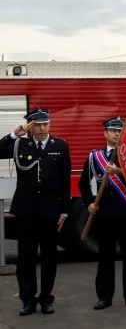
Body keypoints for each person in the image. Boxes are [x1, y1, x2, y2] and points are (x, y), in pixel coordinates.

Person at [0, 108, 71, 316]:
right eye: (38, 125)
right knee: (26, 259)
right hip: (27, 212)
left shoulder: (60, 146)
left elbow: (65, 181)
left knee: (49, 258)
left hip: (50, 212)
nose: (42, 129)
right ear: (30, 126)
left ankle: (47, 299)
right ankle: (28, 300)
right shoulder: (19, 144)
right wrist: (15, 133)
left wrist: (65, 211)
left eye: (46, 124)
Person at [80, 116, 126, 310]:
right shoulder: (95, 157)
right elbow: (83, 183)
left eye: (119, 131)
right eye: (113, 131)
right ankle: (104, 296)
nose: (116, 134)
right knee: (105, 257)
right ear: (105, 133)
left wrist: (119, 171)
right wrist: (90, 202)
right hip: (105, 216)